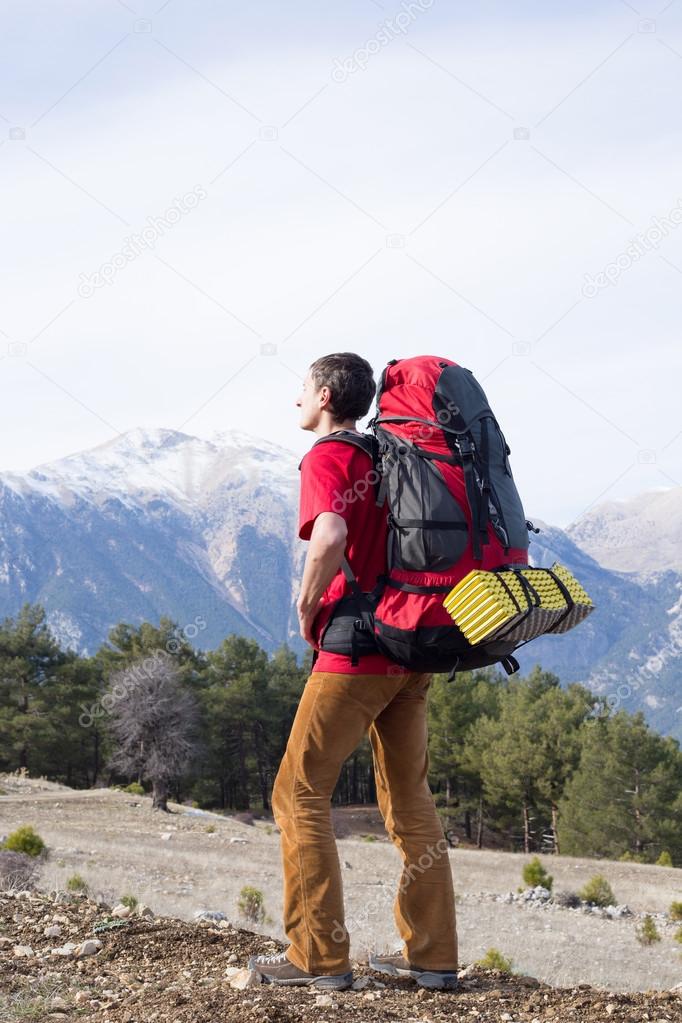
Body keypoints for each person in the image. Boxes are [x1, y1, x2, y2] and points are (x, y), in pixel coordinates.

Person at [248, 353, 459, 991]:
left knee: (298, 793)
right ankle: (433, 958)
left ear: (325, 394)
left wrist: (307, 604)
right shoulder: (387, 454)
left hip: (357, 652)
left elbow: (332, 532)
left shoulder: (329, 455)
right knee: (411, 802)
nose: (296, 403)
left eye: (302, 391)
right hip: (410, 647)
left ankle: (317, 958)